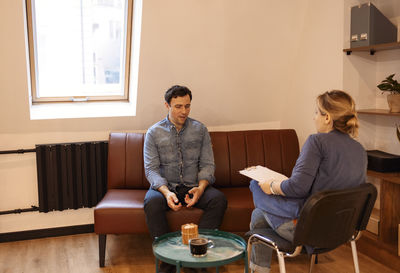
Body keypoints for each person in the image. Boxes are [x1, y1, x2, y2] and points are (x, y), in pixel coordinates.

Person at [248, 90, 367, 273]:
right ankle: (258, 268)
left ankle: (258, 270)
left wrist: (271, 186)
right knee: (258, 215)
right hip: (342, 231)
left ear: (327, 117)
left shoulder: (317, 142)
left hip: (308, 231)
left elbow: (297, 187)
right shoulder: (359, 149)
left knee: (255, 184)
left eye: (316, 112)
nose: (314, 118)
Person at [143, 85, 227, 273]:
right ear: (167, 105)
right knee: (151, 203)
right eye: (178, 106)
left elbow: (208, 164)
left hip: (193, 186)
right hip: (166, 187)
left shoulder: (200, 129)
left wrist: (201, 188)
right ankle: (169, 264)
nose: (184, 111)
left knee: (218, 200)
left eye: (187, 106)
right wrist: (165, 193)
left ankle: (195, 259)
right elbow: (151, 170)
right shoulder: (153, 133)